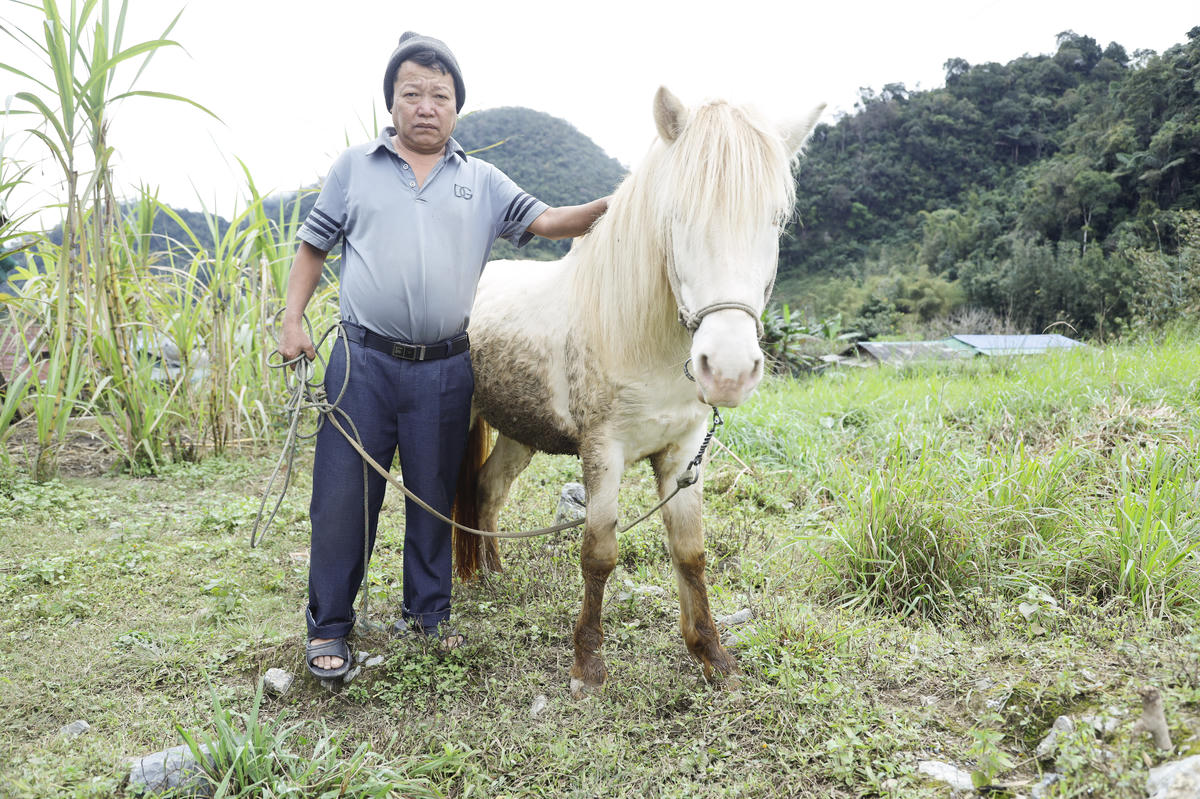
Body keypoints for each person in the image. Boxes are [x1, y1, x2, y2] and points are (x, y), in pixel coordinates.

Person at [279, 32, 609, 679]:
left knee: (433, 495)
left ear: (456, 107)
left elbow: (548, 222)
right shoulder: (355, 168)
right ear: (392, 102)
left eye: (440, 94)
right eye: (413, 93)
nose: (426, 105)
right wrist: (292, 319)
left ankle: (427, 617)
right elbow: (313, 248)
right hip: (362, 361)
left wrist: (616, 208)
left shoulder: (481, 180)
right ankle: (330, 627)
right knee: (344, 498)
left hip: (445, 367)